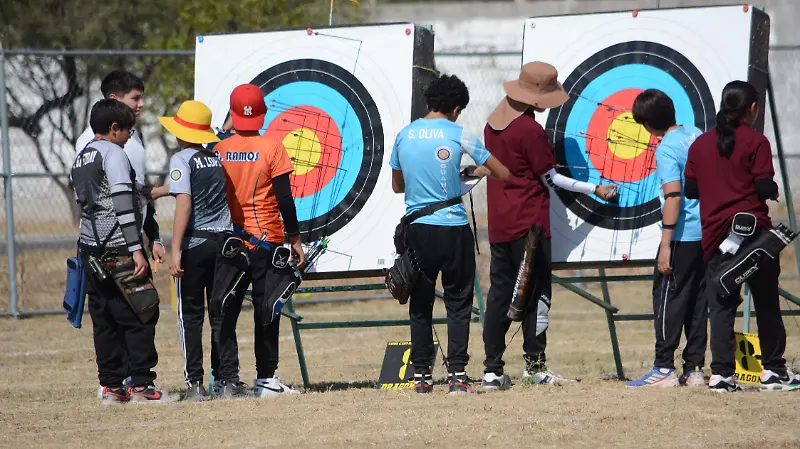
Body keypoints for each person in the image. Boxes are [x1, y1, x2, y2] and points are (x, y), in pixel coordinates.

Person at [480, 62, 618, 390]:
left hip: (500, 224)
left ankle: (491, 371)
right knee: (537, 293)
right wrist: (595, 189)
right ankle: (535, 367)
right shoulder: (529, 130)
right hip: (530, 227)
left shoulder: (491, 124)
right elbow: (552, 179)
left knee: (500, 294)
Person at [390, 74, 510, 395]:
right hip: (453, 229)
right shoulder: (460, 135)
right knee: (458, 303)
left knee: (421, 303)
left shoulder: (404, 135)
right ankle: (457, 376)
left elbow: (397, 186)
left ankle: (421, 377)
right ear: (456, 108)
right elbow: (501, 171)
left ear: (429, 102)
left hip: (418, 230)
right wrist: (471, 172)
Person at [685, 80, 800, 392]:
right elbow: (764, 187)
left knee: (721, 304)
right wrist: (771, 190)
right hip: (753, 236)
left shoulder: (700, 145)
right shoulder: (756, 142)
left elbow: (691, 190)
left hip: (715, 238)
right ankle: (773, 371)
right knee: (765, 301)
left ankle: (721, 374)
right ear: (751, 108)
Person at [70, 99, 170, 404]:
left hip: (89, 249)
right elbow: (123, 205)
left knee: (104, 318)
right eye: (128, 130)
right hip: (117, 249)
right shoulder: (114, 153)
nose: (129, 137)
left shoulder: (82, 157)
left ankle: (111, 385)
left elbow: (92, 201)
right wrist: (136, 250)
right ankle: (141, 384)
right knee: (141, 311)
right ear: (114, 129)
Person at [214, 83, 305, 397]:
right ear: (262, 113)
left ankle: (225, 379)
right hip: (268, 243)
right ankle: (266, 379)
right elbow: (285, 199)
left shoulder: (219, 149)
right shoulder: (273, 147)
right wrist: (295, 239)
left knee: (226, 308)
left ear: (233, 113)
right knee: (267, 309)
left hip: (231, 242)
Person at [627, 89, 707, 388]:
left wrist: (665, 244)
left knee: (667, 299)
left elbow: (674, 196)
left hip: (683, 234)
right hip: (706, 233)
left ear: (647, 124)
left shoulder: (666, 148)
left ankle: (663, 369)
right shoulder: (695, 134)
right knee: (698, 301)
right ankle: (695, 369)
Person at [158, 100, 234, 401]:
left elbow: (185, 202)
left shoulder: (181, 159)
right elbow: (191, 188)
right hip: (222, 245)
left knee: (190, 316)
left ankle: (195, 385)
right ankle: (226, 381)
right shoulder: (213, 158)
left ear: (180, 133)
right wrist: (161, 190)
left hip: (195, 244)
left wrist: (175, 249)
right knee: (220, 314)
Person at [75, 70, 166, 268]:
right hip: (115, 247)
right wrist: (134, 248)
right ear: (114, 99)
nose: (141, 104)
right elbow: (119, 200)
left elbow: (136, 192)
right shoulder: (102, 144)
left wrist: (153, 236)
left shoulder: (129, 136)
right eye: (135, 98)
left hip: (129, 239)